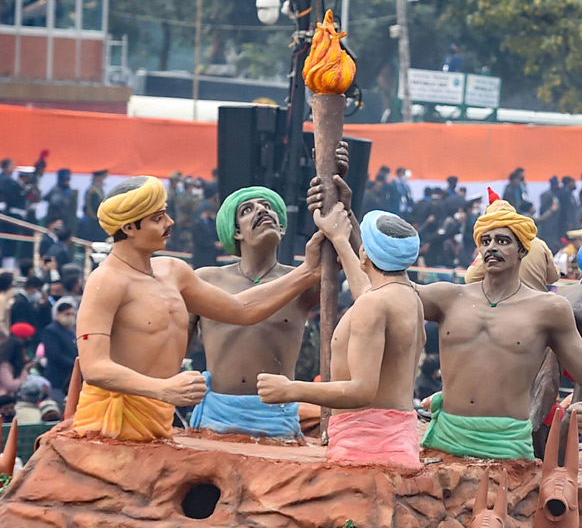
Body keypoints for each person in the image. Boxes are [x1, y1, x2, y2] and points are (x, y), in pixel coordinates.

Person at [73, 176, 320, 442]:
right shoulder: (105, 280)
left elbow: (242, 309)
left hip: (160, 420)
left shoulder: (175, 272)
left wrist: (307, 271)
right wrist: (162, 388)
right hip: (111, 423)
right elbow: (94, 368)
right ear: (130, 228)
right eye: (158, 219)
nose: (170, 224)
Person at [417, 201, 582, 460]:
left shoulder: (548, 309)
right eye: (485, 241)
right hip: (445, 440)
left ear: (522, 250)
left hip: (507, 447)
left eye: (502, 241)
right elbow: (388, 289)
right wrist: (344, 227)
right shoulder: (448, 297)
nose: (491, 247)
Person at [259, 209, 425, 470]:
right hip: (395, 442)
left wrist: (290, 389)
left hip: (365, 449)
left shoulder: (373, 304)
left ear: (366, 255)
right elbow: (366, 290)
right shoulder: (408, 298)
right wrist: (339, 238)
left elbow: (362, 389)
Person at [188, 185, 322, 439]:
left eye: (268, 207)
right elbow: (175, 350)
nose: (262, 210)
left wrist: (338, 202)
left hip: (276, 421)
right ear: (236, 231)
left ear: (282, 228)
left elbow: (355, 264)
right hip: (215, 419)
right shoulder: (205, 280)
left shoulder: (305, 281)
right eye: (247, 209)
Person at [464, 194, 560, 291]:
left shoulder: (491, 248)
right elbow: (554, 277)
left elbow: (470, 278)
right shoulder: (540, 244)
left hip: (509, 303)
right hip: (540, 302)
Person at [0, 326, 31, 421]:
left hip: (12, 401)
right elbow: (11, 385)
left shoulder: (11, 365)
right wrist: (24, 371)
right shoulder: (2, 365)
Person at [39, 299, 78, 394]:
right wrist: (74, 364)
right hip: (58, 376)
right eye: (67, 314)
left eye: (72, 314)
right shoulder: (51, 331)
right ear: (58, 315)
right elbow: (54, 354)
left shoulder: (70, 331)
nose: (70, 317)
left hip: (70, 375)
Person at [80, 169, 108, 242]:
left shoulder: (98, 190)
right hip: (94, 225)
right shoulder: (93, 192)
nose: (102, 180)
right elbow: (95, 209)